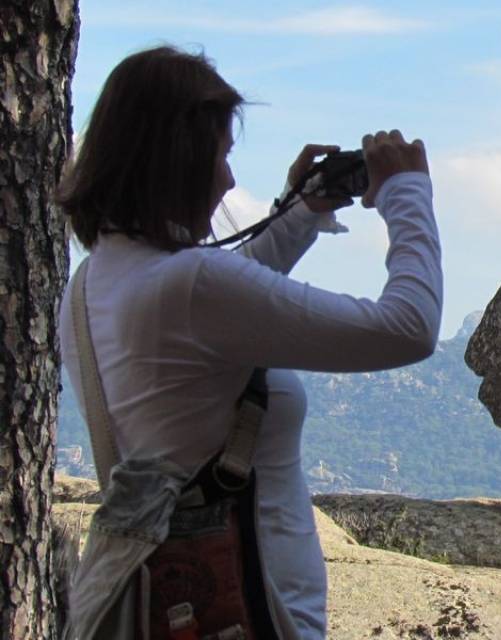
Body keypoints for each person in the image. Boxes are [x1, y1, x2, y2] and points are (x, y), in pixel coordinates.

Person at [56, 45, 442, 639]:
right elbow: (408, 327)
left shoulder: (93, 284)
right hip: (255, 608)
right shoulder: (190, 286)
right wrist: (407, 193)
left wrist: (298, 214)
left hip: (177, 601)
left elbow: (218, 313)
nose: (229, 177)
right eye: (221, 155)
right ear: (180, 159)